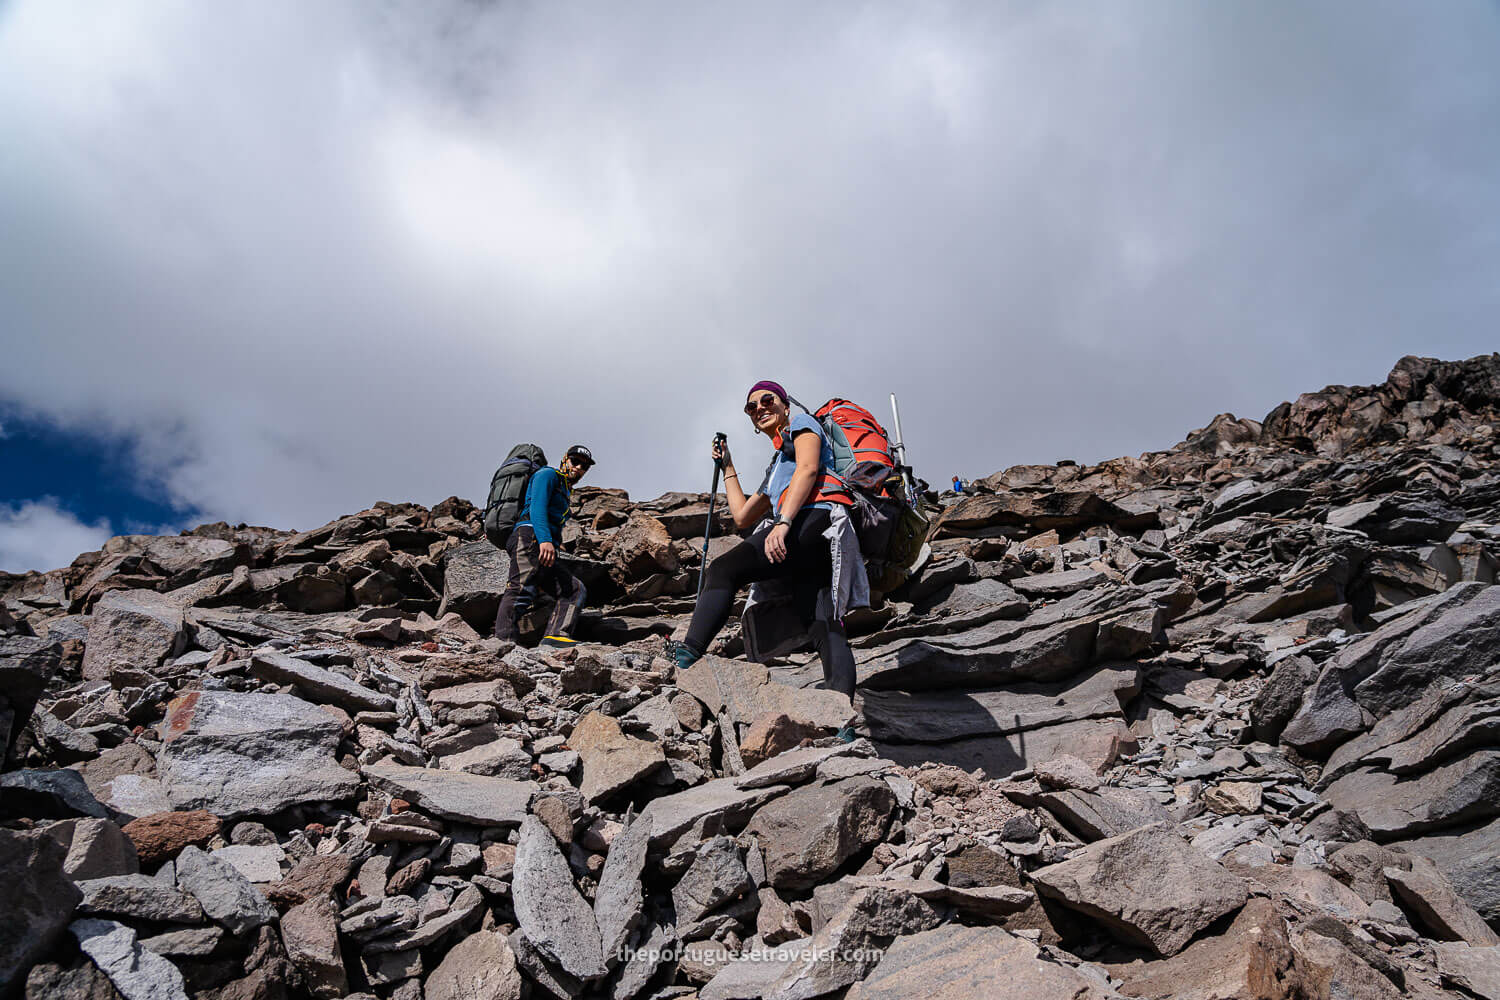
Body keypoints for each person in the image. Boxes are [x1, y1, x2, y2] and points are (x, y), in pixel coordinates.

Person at [673, 381, 865, 736]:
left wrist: (783, 523)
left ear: (785, 405)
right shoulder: (778, 462)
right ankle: (843, 722)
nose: (760, 408)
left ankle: (688, 653)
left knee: (723, 569)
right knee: (825, 623)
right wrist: (728, 465)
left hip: (814, 518)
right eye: (751, 407)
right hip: (817, 539)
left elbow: (808, 470)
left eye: (767, 400)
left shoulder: (803, 423)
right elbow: (743, 516)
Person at [494, 445, 595, 649]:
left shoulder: (565, 488)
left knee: (574, 589)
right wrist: (545, 540)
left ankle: (556, 637)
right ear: (565, 459)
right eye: (575, 462)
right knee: (520, 589)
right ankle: (503, 642)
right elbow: (537, 507)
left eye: (584, 466)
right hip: (530, 536)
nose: (578, 468)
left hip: (540, 543)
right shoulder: (548, 475)